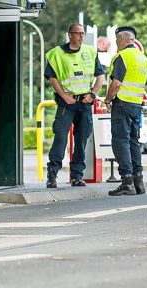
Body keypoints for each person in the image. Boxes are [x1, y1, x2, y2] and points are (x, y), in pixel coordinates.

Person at [43, 23, 106, 188]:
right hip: (66, 103)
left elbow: (100, 75)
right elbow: (52, 77)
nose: (81, 36)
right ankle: (52, 174)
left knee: (81, 140)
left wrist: (92, 93)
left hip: (85, 103)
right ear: (70, 34)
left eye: (83, 33)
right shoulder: (57, 54)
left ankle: (77, 176)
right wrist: (64, 95)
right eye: (78, 33)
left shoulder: (90, 52)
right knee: (61, 138)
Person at [105, 30, 147, 196]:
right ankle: (139, 182)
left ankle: (127, 182)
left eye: (117, 39)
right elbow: (145, 85)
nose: (116, 42)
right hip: (135, 105)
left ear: (123, 39)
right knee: (133, 141)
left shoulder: (122, 57)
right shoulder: (144, 59)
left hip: (122, 103)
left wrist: (108, 99)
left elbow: (116, 83)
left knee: (120, 141)